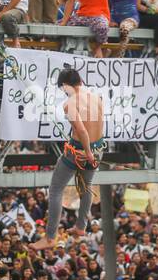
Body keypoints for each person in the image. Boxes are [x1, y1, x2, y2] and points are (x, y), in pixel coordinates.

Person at [32, 67, 105, 251]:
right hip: (99, 148)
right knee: (85, 187)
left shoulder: (70, 103)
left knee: (56, 189)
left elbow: (81, 130)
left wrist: (87, 151)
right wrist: (93, 152)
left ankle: (50, 237)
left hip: (80, 150)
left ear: (65, 85)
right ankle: (81, 227)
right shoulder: (96, 98)